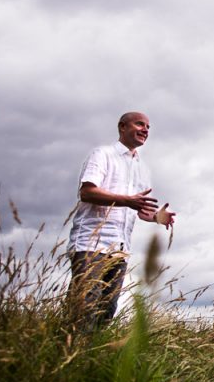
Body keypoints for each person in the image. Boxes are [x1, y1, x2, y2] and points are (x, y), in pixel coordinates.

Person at [67, 111, 175, 330]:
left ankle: (92, 360)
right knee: (84, 308)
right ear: (122, 127)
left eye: (148, 127)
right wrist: (127, 201)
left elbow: (137, 208)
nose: (145, 129)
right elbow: (87, 192)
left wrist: (155, 217)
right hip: (91, 244)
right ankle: (70, 355)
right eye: (139, 124)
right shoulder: (102, 154)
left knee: (106, 312)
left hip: (120, 249)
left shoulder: (141, 168)